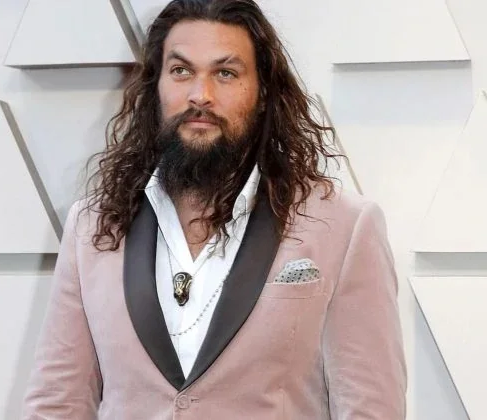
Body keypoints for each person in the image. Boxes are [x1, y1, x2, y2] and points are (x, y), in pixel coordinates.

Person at [21, 0, 407, 418]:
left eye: (225, 73)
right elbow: (57, 404)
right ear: (155, 87)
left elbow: (372, 409)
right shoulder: (93, 225)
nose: (200, 95)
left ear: (263, 93)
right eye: (181, 71)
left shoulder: (344, 226)